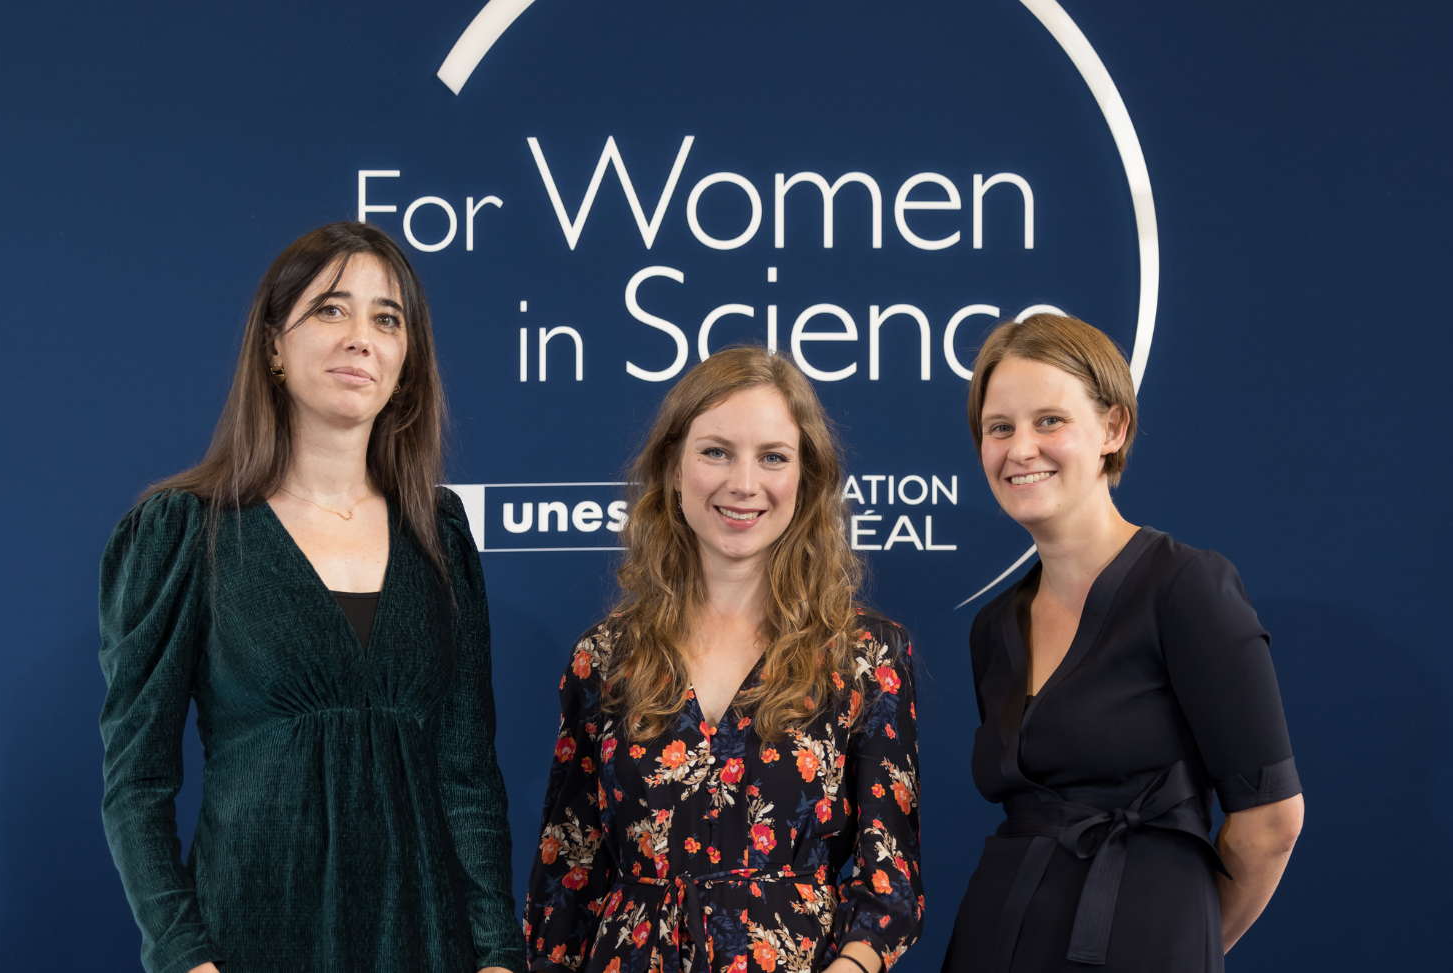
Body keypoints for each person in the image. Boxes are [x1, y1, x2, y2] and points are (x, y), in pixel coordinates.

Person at [98, 222, 524, 973]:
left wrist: (496, 954)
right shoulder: (185, 532)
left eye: (386, 318)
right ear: (273, 346)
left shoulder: (441, 533)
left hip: (427, 942)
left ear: (406, 360)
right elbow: (136, 783)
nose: (361, 336)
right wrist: (184, 956)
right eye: (331, 309)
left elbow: (468, 775)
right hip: (248, 938)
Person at [524, 347, 924, 973]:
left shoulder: (865, 657)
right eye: (716, 451)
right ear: (674, 469)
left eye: (773, 457)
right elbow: (567, 877)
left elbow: (889, 881)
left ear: (806, 479)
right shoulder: (603, 659)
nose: (744, 483)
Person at [940, 314, 1304, 973]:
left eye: (1049, 420)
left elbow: (1272, 820)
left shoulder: (1186, 587)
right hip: (994, 940)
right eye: (1000, 427)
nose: (1021, 448)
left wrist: (1178, 941)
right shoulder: (993, 626)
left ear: (1114, 429)